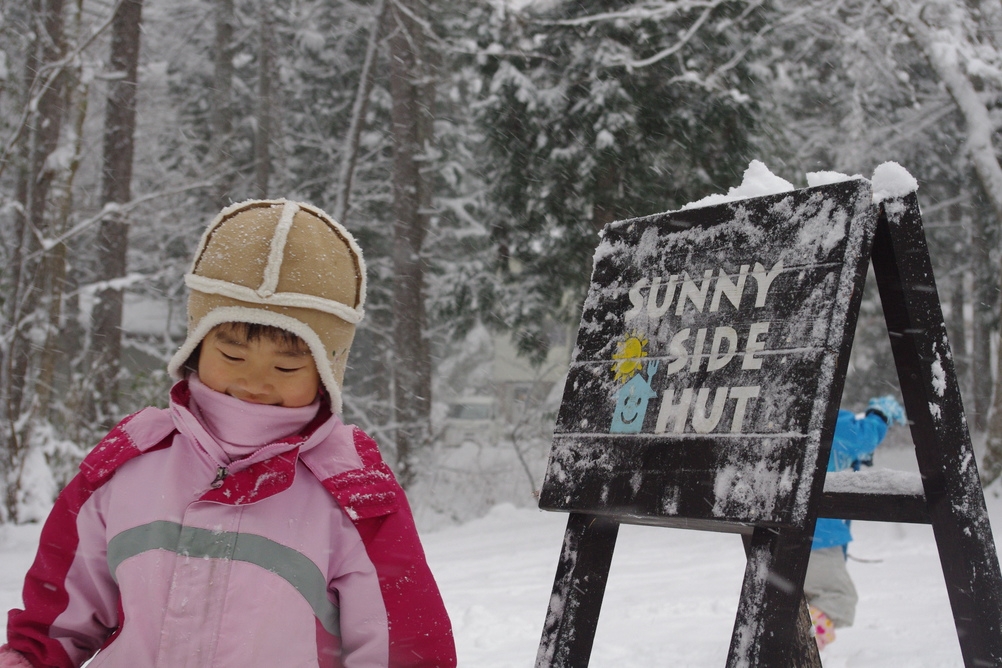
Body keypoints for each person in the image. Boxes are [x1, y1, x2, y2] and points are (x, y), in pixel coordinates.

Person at [0, 200, 457, 667]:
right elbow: (54, 624)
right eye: (233, 356)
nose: (254, 384)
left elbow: (405, 651)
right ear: (197, 344)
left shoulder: (354, 496)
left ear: (327, 370)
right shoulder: (130, 467)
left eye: (286, 365)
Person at [806, 395, 906, 650]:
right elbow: (862, 438)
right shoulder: (824, 415)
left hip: (780, 532)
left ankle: (792, 645)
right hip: (818, 536)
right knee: (839, 599)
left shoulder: (785, 416)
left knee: (795, 599)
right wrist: (879, 415)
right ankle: (801, 648)